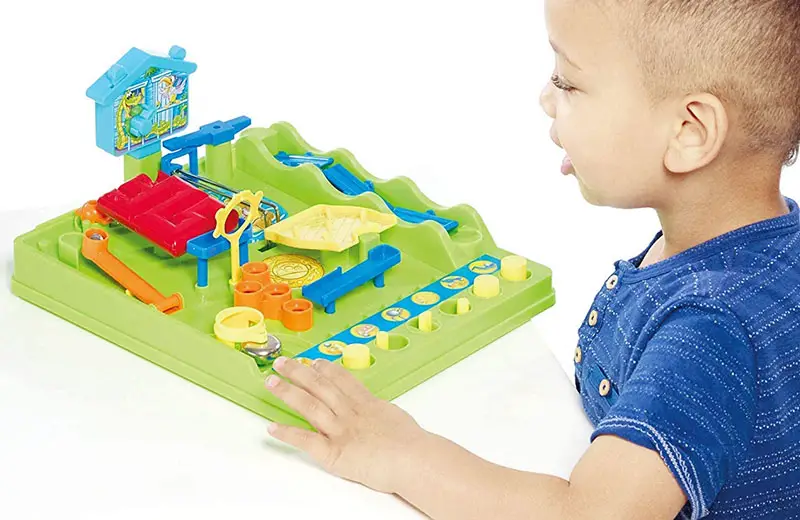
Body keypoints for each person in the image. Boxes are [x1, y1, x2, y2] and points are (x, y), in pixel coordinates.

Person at [264, 0, 800, 517]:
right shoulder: (756, 246)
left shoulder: (710, 329)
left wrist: (400, 453)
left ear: (689, 131)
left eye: (568, 82)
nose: (546, 98)